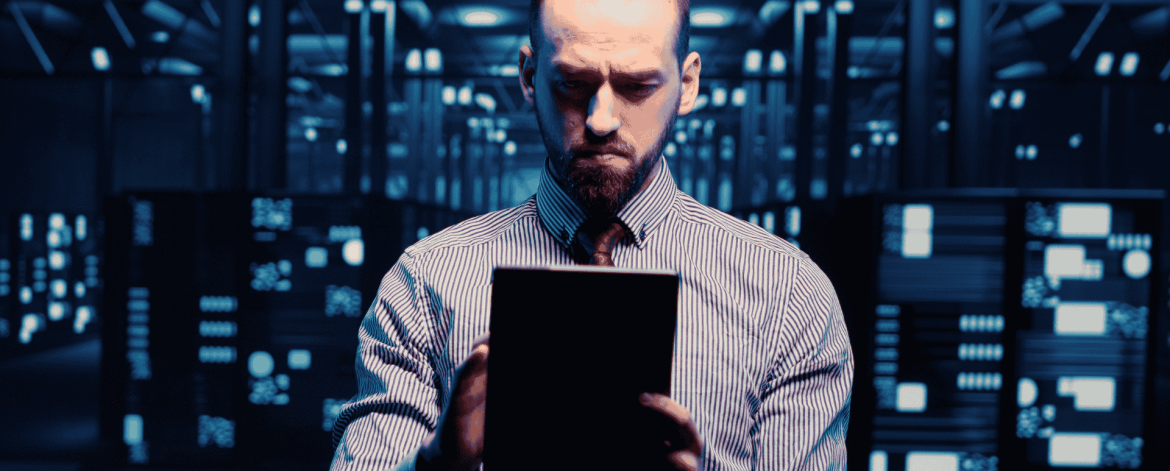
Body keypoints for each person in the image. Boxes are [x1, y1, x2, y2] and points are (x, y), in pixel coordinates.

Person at [330, 0, 853, 469]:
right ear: (529, 76)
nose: (602, 120)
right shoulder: (425, 283)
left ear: (687, 85)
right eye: (574, 84)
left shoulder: (787, 294)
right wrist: (440, 466)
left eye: (636, 86)